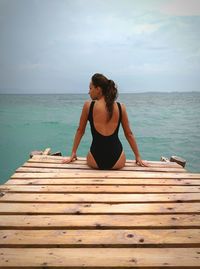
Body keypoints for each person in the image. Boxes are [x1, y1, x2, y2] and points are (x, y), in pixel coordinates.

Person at [62, 73, 147, 169]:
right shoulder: (120, 107)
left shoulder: (88, 106)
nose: (89, 92)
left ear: (98, 89)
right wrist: (138, 156)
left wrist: (73, 153)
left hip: (95, 160)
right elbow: (129, 134)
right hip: (118, 160)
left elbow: (80, 131)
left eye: (90, 88)